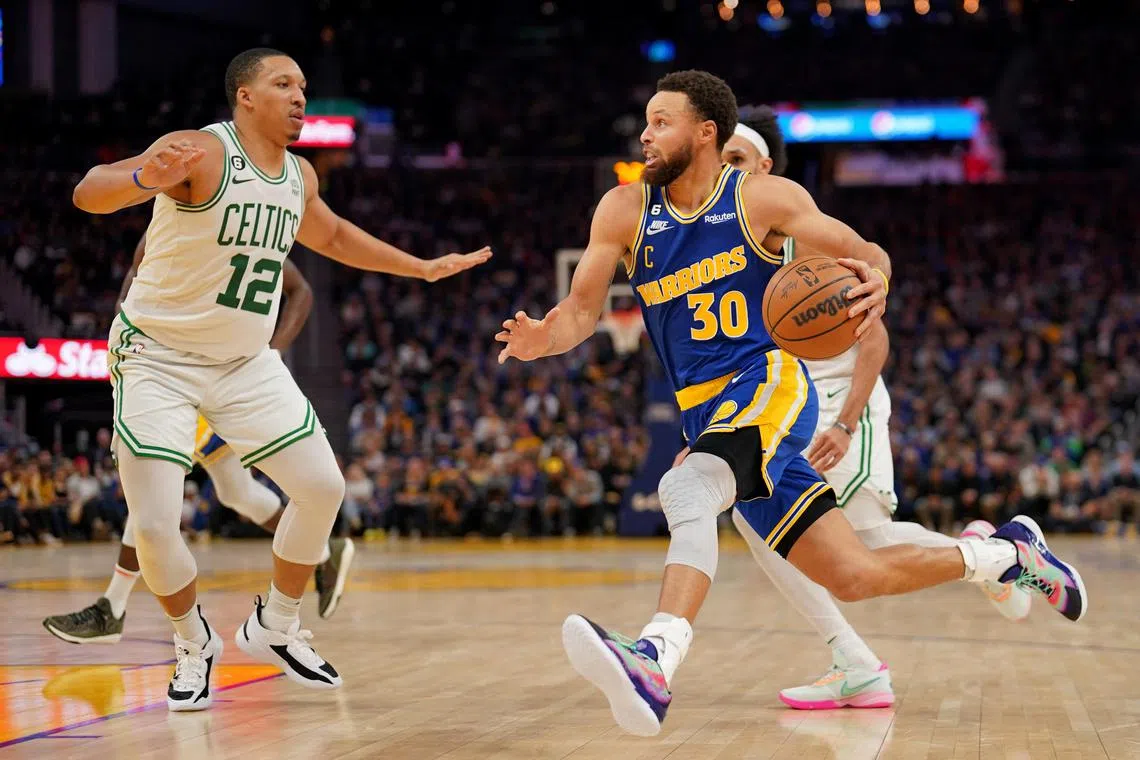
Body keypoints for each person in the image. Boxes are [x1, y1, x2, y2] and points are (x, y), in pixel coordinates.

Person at [495, 70, 1085, 736]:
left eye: (662, 121)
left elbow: (864, 251)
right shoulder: (625, 210)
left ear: (705, 131)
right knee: (853, 575)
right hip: (704, 407)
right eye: (647, 121)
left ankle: (654, 659)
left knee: (687, 491)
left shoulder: (762, 199)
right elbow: (580, 310)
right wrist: (545, 337)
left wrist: (877, 281)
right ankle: (1006, 556)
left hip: (768, 384)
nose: (646, 134)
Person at [71, 47, 491, 711]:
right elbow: (89, 189)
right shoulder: (200, 151)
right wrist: (142, 178)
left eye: (303, 86)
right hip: (157, 357)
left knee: (323, 489)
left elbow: (336, 238)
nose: (299, 97)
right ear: (245, 95)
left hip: (242, 361)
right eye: (283, 84)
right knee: (154, 525)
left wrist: (420, 268)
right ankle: (192, 643)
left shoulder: (299, 175)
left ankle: (275, 625)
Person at [716, 105, 1032, 710]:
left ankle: (871, 647)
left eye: (738, 160)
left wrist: (845, 419)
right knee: (843, 538)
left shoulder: (802, 236)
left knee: (802, 527)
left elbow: (874, 333)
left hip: (837, 397)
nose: (727, 173)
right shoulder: (720, 250)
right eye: (719, 162)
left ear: (765, 166)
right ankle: (991, 557)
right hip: (785, 399)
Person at [43, 233, 356, 645]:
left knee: (156, 496)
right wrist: (125, 324)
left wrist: (274, 352)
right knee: (232, 492)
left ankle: (113, 607)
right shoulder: (167, 219)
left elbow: (300, 289)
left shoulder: (238, 220)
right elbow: (134, 278)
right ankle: (320, 552)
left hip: (217, 372)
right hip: (167, 369)